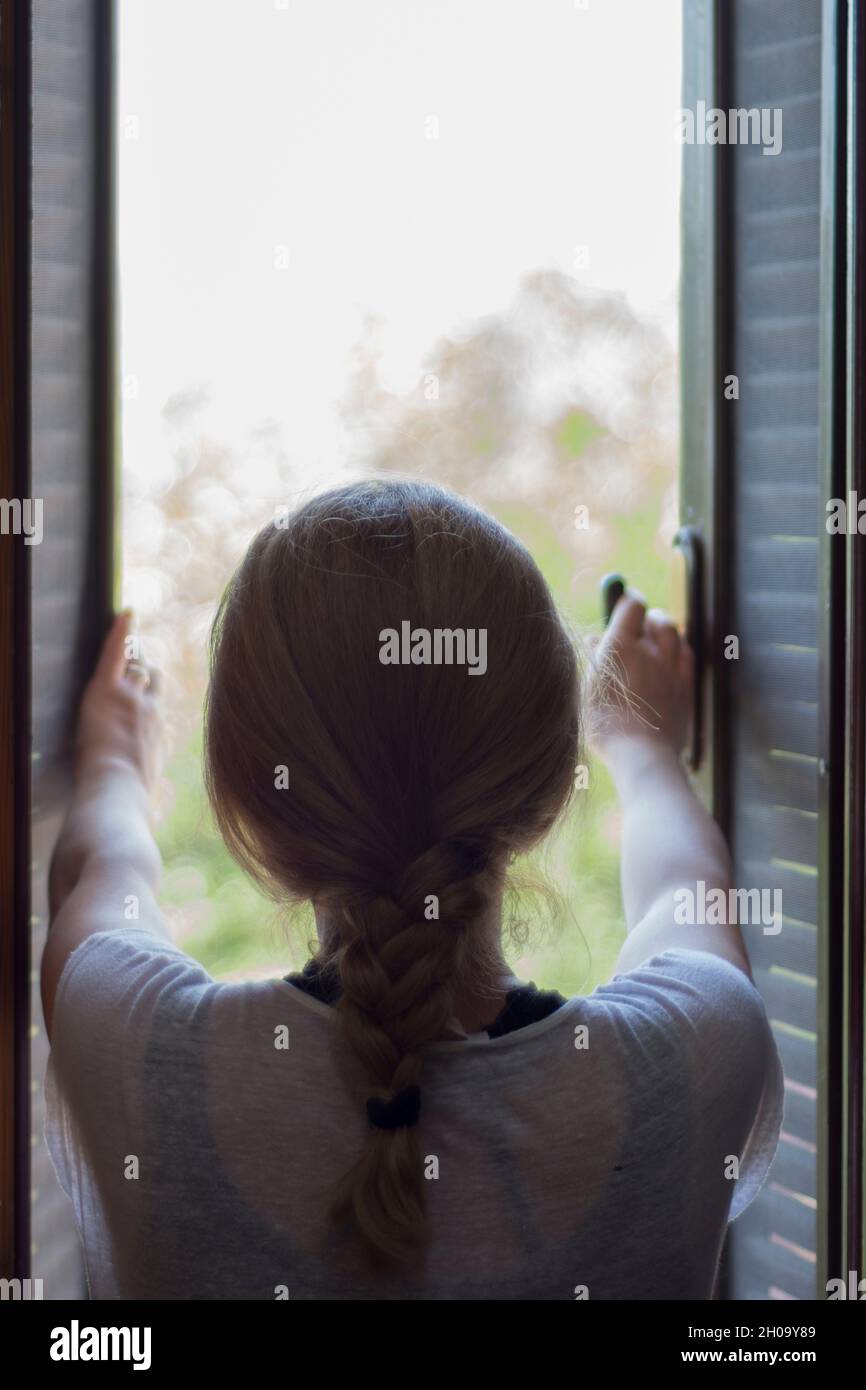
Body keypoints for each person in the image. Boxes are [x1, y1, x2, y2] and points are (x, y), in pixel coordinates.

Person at [41, 478, 782, 1300]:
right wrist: (645, 747)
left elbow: (95, 874)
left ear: (249, 796)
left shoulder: (132, 1047)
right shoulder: (696, 1059)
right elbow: (692, 893)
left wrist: (112, 757)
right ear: (540, 790)